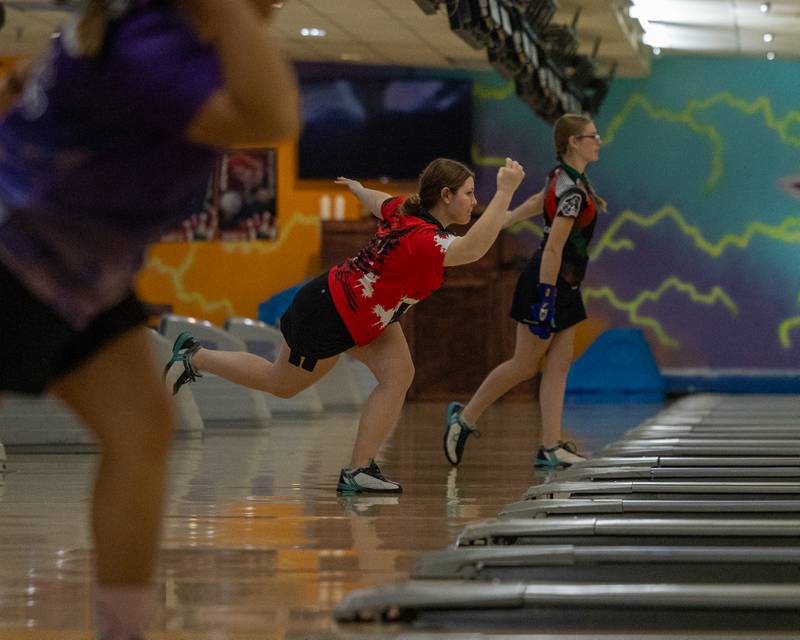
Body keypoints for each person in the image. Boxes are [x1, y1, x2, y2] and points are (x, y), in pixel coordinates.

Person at [0, 2, 299, 639]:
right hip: (20, 259)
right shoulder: (150, 43)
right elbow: (272, 115)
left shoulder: (150, 35)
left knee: (140, 426)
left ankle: (124, 629)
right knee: (140, 429)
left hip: (76, 274)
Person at [164, 157, 534, 493]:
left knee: (399, 374)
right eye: (469, 194)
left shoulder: (407, 213)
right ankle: (194, 357)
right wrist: (505, 190)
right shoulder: (424, 239)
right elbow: (473, 248)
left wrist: (358, 188)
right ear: (446, 195)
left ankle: (359, 469)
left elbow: (378, 201)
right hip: (330, 311)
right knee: (281, 384)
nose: (474, 201)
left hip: (366, 316)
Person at [443, 113, 606, 469]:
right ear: (574, 143)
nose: (599, 141)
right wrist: (545, 300)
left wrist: (498, 221)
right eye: (593, 136)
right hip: (548, 282)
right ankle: (464, 419)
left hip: (565, 284)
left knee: (558, 367)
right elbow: (552, 249)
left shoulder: (566, 179)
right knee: (523, 365)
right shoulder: (571, 191)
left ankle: (550, 446)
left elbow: (531, 206)